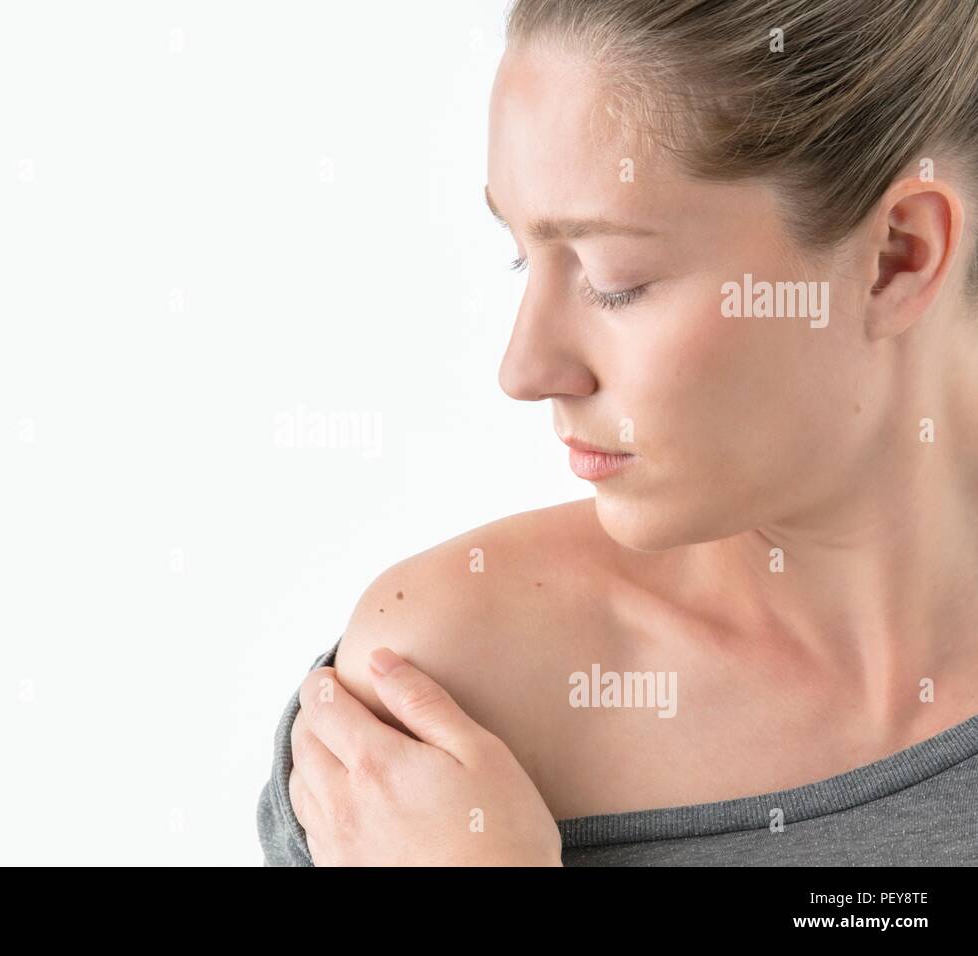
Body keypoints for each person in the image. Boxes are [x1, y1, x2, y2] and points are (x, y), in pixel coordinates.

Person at [258, 0, 978, 865]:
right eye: (525, 257)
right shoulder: (444, 699)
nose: (523, 371)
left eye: (613, 279)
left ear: (898, 256)